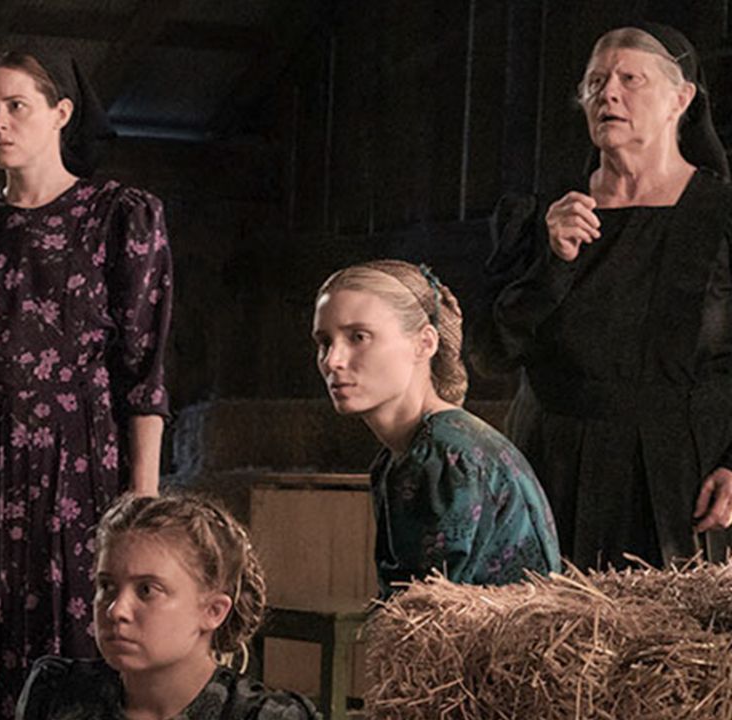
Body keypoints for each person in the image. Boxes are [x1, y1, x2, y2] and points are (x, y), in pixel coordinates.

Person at [0, 50, 173, 718]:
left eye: (15, 105)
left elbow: (144, 369)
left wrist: (141, 500)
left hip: (78, 466)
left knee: (74, 646)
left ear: (61, 113)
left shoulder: (119, 217)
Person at [490, 23, 732, 569]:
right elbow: (493, 349)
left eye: (630, 79)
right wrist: (553, 262)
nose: (609, 94)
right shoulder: (542, 216)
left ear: (682, 98)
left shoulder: (720, 215)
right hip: (552, 466)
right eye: (595, 81)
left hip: (679, 478)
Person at [314, 260, 561, 597]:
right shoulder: (404, 455)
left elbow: (428, 615)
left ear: (424, 343)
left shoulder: (445, 457)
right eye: (324, 342)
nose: (332, 360)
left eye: (359, 337)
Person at [15, 493, 318, 720]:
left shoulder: (264, 717)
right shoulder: (57, 694)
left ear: (213, 611)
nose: (116, 610)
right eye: (107, 586)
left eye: (147, 590)